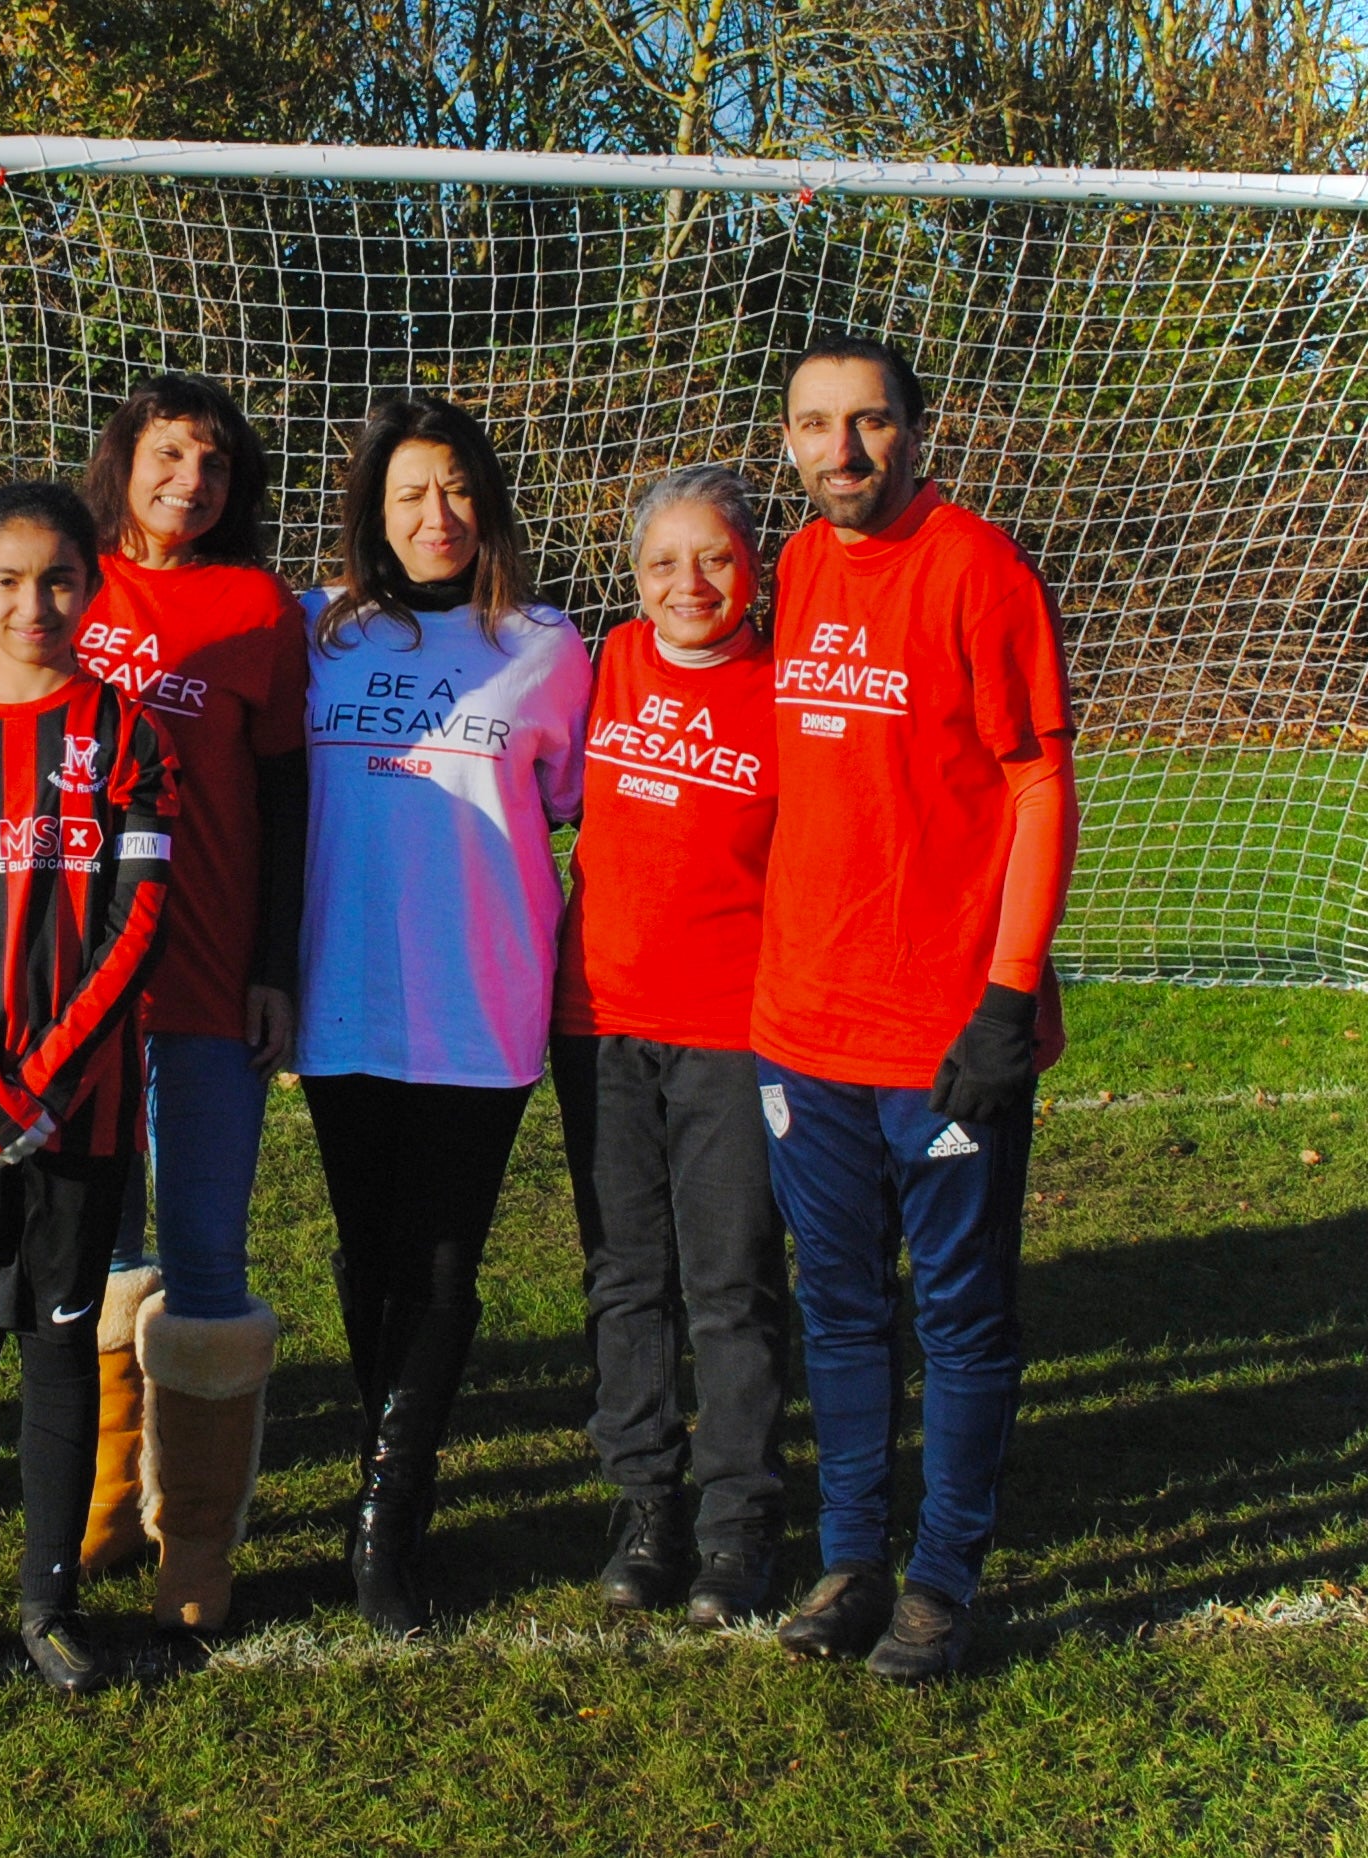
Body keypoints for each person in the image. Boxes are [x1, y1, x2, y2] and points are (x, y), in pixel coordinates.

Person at [758, 333, 1077, 1681]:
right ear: (788, 440)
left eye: (870, 421)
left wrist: (1006, 999)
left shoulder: (978, 568)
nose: (843, 449)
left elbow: (1039, 784)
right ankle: (850, 1558)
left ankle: (941, 1578)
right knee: (836, 1306)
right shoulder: (796, 563)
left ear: (916, 429)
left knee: (958, 1313)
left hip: (942, 1033)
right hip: (802, 1024)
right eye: (816, 423)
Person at [294, 398, 589, 1637]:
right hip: (342, 994)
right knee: (369, 1251)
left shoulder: (545, 644)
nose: (437, 514)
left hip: (481, 997)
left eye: (458, 487)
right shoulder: (316, 631)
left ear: (489, 501)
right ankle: (388, 1480)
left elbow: (575, 804)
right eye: (411, 492)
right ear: (373, 509)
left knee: (444, 1261)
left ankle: (384, 1516)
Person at [0, 481, 177, 1693]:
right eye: (7, 581)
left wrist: (45, 1079)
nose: (33, 604)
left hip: (80, 1105)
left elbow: (139, 915)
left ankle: (50, 1603)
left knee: (60, 1348)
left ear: (91, 588)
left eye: (58, 580)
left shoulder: (127, 732)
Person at [70, 373, 304, 1634]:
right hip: (73, 985)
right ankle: (106, 1501)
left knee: (206, 1251)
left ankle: (196, 1541)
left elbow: (282, 801)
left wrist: (273, 965)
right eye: (169, 454)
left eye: (213, 463)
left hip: (206, 975)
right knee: (100, 1247)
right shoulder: (66, 580)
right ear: (125, 458)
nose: (190, 481)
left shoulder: (256, 606)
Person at [549, 466, 791, 1629]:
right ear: (632, 576)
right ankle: (645, 1507)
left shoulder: (787, 688)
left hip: (732, 1031)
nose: (688, 583)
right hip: (597, 1021)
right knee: (624, 1274)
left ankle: (739, 1523)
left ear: (753, 566)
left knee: (730, 1283)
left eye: (713, 558)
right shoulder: (600, 666)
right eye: (661, 562)